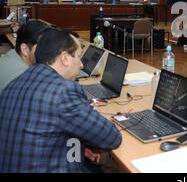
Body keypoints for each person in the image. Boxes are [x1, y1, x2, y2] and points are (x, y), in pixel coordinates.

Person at [0, 29, 122, 172]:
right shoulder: (63, 92)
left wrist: (79, 148)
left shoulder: (16, 82)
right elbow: (111, 138)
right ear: (65, 58)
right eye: (78, 56)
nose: (82, 65)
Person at [0, 20, 49, 93]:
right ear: (25, 49)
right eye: (44, 46)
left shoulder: (12, 55)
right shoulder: (24, 77)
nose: (50, 50)